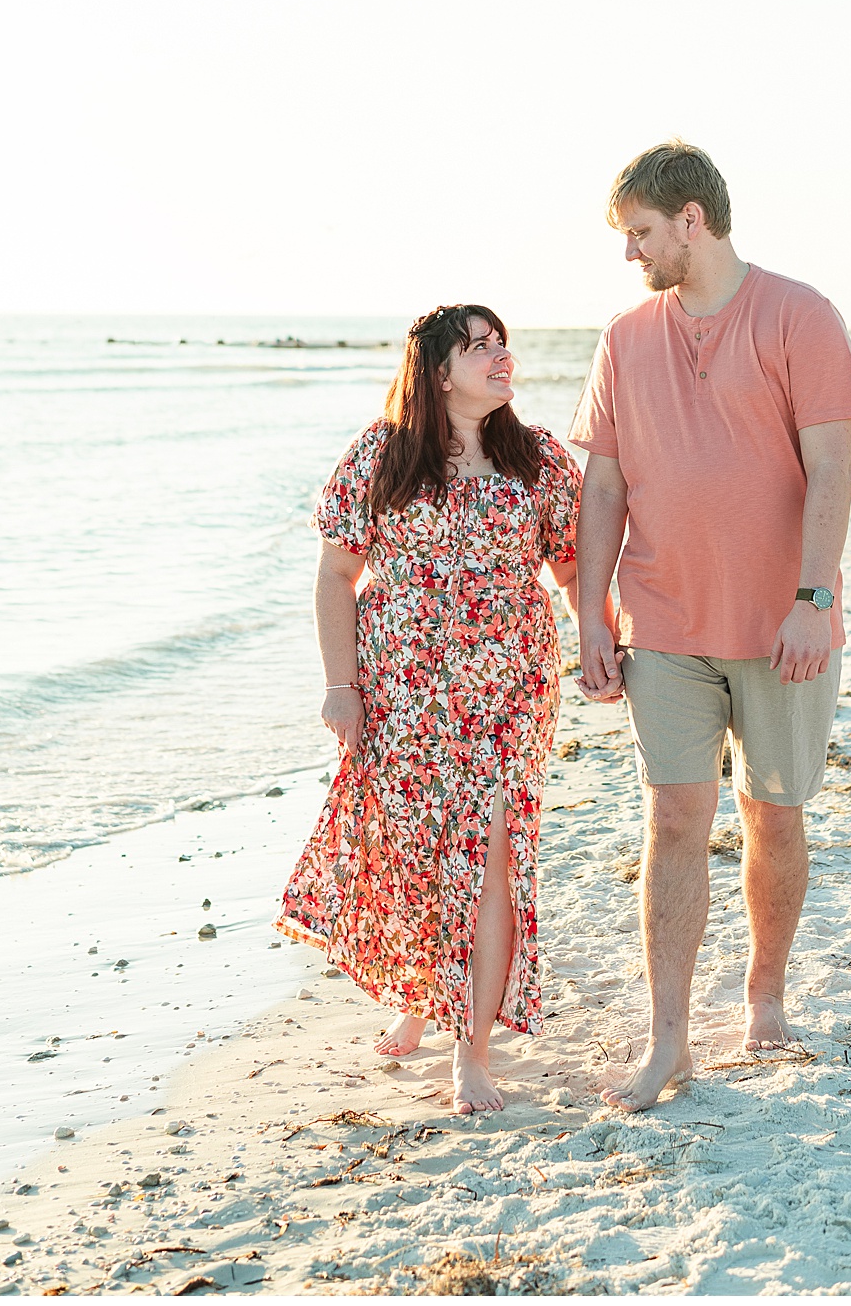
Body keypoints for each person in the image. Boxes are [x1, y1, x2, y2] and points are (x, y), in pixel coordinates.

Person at [572, 141, 851, 1113]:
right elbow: (606, 483)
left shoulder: (800, 315)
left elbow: (830, 469)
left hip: (782, 625)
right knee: (672, 819)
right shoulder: (624, 338)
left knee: (773, 813)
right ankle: (670, 1040)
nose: (633, 255)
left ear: (691, 220)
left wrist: (811, 599)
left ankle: (765, 993)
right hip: (664, 619)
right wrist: (589, 612)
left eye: (641, 234)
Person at [277, 306, 606, 1115]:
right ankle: (425, 996)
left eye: (502, 344)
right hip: (403, 691)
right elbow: (334, 577)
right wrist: (340, 683)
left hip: (506, 690)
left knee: (489, 852)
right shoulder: (383, 454)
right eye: (480, 346)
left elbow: (569, 571)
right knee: (421, 850)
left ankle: (473, 1051)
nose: (501, 357)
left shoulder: (536, 462)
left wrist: (600, 635)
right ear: (436, 369)